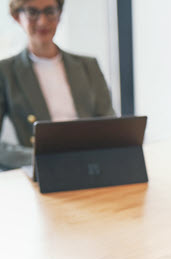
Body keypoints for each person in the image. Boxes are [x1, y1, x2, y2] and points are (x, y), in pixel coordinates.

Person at [0, 0, 114, 168]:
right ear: (17, 16)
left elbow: (109, 125)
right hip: (43, 171)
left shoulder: (88, 65)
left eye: (50, 11)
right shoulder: (6, 72)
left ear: (59, 14)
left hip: (92, 165)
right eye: (32, 12)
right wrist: (37, 159)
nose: (42, 21)